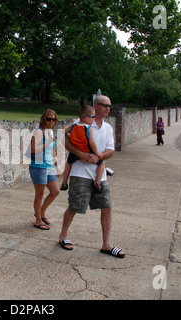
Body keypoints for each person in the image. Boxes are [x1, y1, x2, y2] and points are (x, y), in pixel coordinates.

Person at [58, 95, 125, 258]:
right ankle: (63, 236)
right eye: (104, 105)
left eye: (109, 105)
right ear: (96, 106)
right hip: (80, 173)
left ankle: (106, 244)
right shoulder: (81, 122)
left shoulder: (108, 128)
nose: (108, 108)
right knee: (74, 206)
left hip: (99, 175)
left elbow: (110, 150)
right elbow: (62, 138)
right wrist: (80, 154)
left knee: (107, 207)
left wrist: (100, 156)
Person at [60, 105, 105, 192]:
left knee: (68, 164)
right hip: (86, 151)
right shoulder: (88, 128)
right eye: (93, 117)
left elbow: (62, 132)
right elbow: (92, 143)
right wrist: (97, 153)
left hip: (74, 152)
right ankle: (97, 182)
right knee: (102, 162)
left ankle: (64, 182)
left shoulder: (73, 125)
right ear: (86, 118)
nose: (94, 119)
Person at [29, 109, 61, 230]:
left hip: (49, 166)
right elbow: (33, 149)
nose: (51, 121)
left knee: (55, 191)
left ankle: (41, 213)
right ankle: (38, 220)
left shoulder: (50, 132)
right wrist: (48, 143)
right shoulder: (39, 132)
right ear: (43, 119)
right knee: (40, 194)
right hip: (38, 166)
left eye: (54, 119)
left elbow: (52, 150)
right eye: (49, 119)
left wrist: (57, 165)